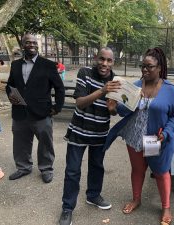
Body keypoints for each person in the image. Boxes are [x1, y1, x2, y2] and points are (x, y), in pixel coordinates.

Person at [104, 47, 174, 225]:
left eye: (149, 66)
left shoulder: (170, 90)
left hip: (154, 139)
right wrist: (114, 108)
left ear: (160, 67)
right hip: (134, 137)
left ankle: (166, 207)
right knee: (137, 170)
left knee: (160, 171)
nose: (145, 70)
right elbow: (126, 111)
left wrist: (168, 133)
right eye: (143, 66)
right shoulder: (135, 86)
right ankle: (136, 199)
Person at [59, 47, 121, 225]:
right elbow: (80, 103)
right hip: (79, 131)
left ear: (113, 63)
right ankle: (67, 208)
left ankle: (93, 196)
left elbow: (114, 111)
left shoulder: (115, 80)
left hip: (100, 132)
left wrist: (112, 109)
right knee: (72, 171)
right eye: (102, 59)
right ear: (96, 58)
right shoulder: (85, 73)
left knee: (97, 167)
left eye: (109, 61)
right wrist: (102, 90)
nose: (105, 64)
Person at [6, 33, 65, 183]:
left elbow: (59, 88)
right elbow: (10, 85)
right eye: (28, 42)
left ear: (37, 45)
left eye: (34, 42)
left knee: (45, 141)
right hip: (20, 112)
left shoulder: (48, 65)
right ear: (23, 46)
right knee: (20, 142)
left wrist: (57, 107)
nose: (32, 45)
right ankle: (23, 167)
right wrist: (12, 96)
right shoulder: (16, 65)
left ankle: (46, 169)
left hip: (41, 112)